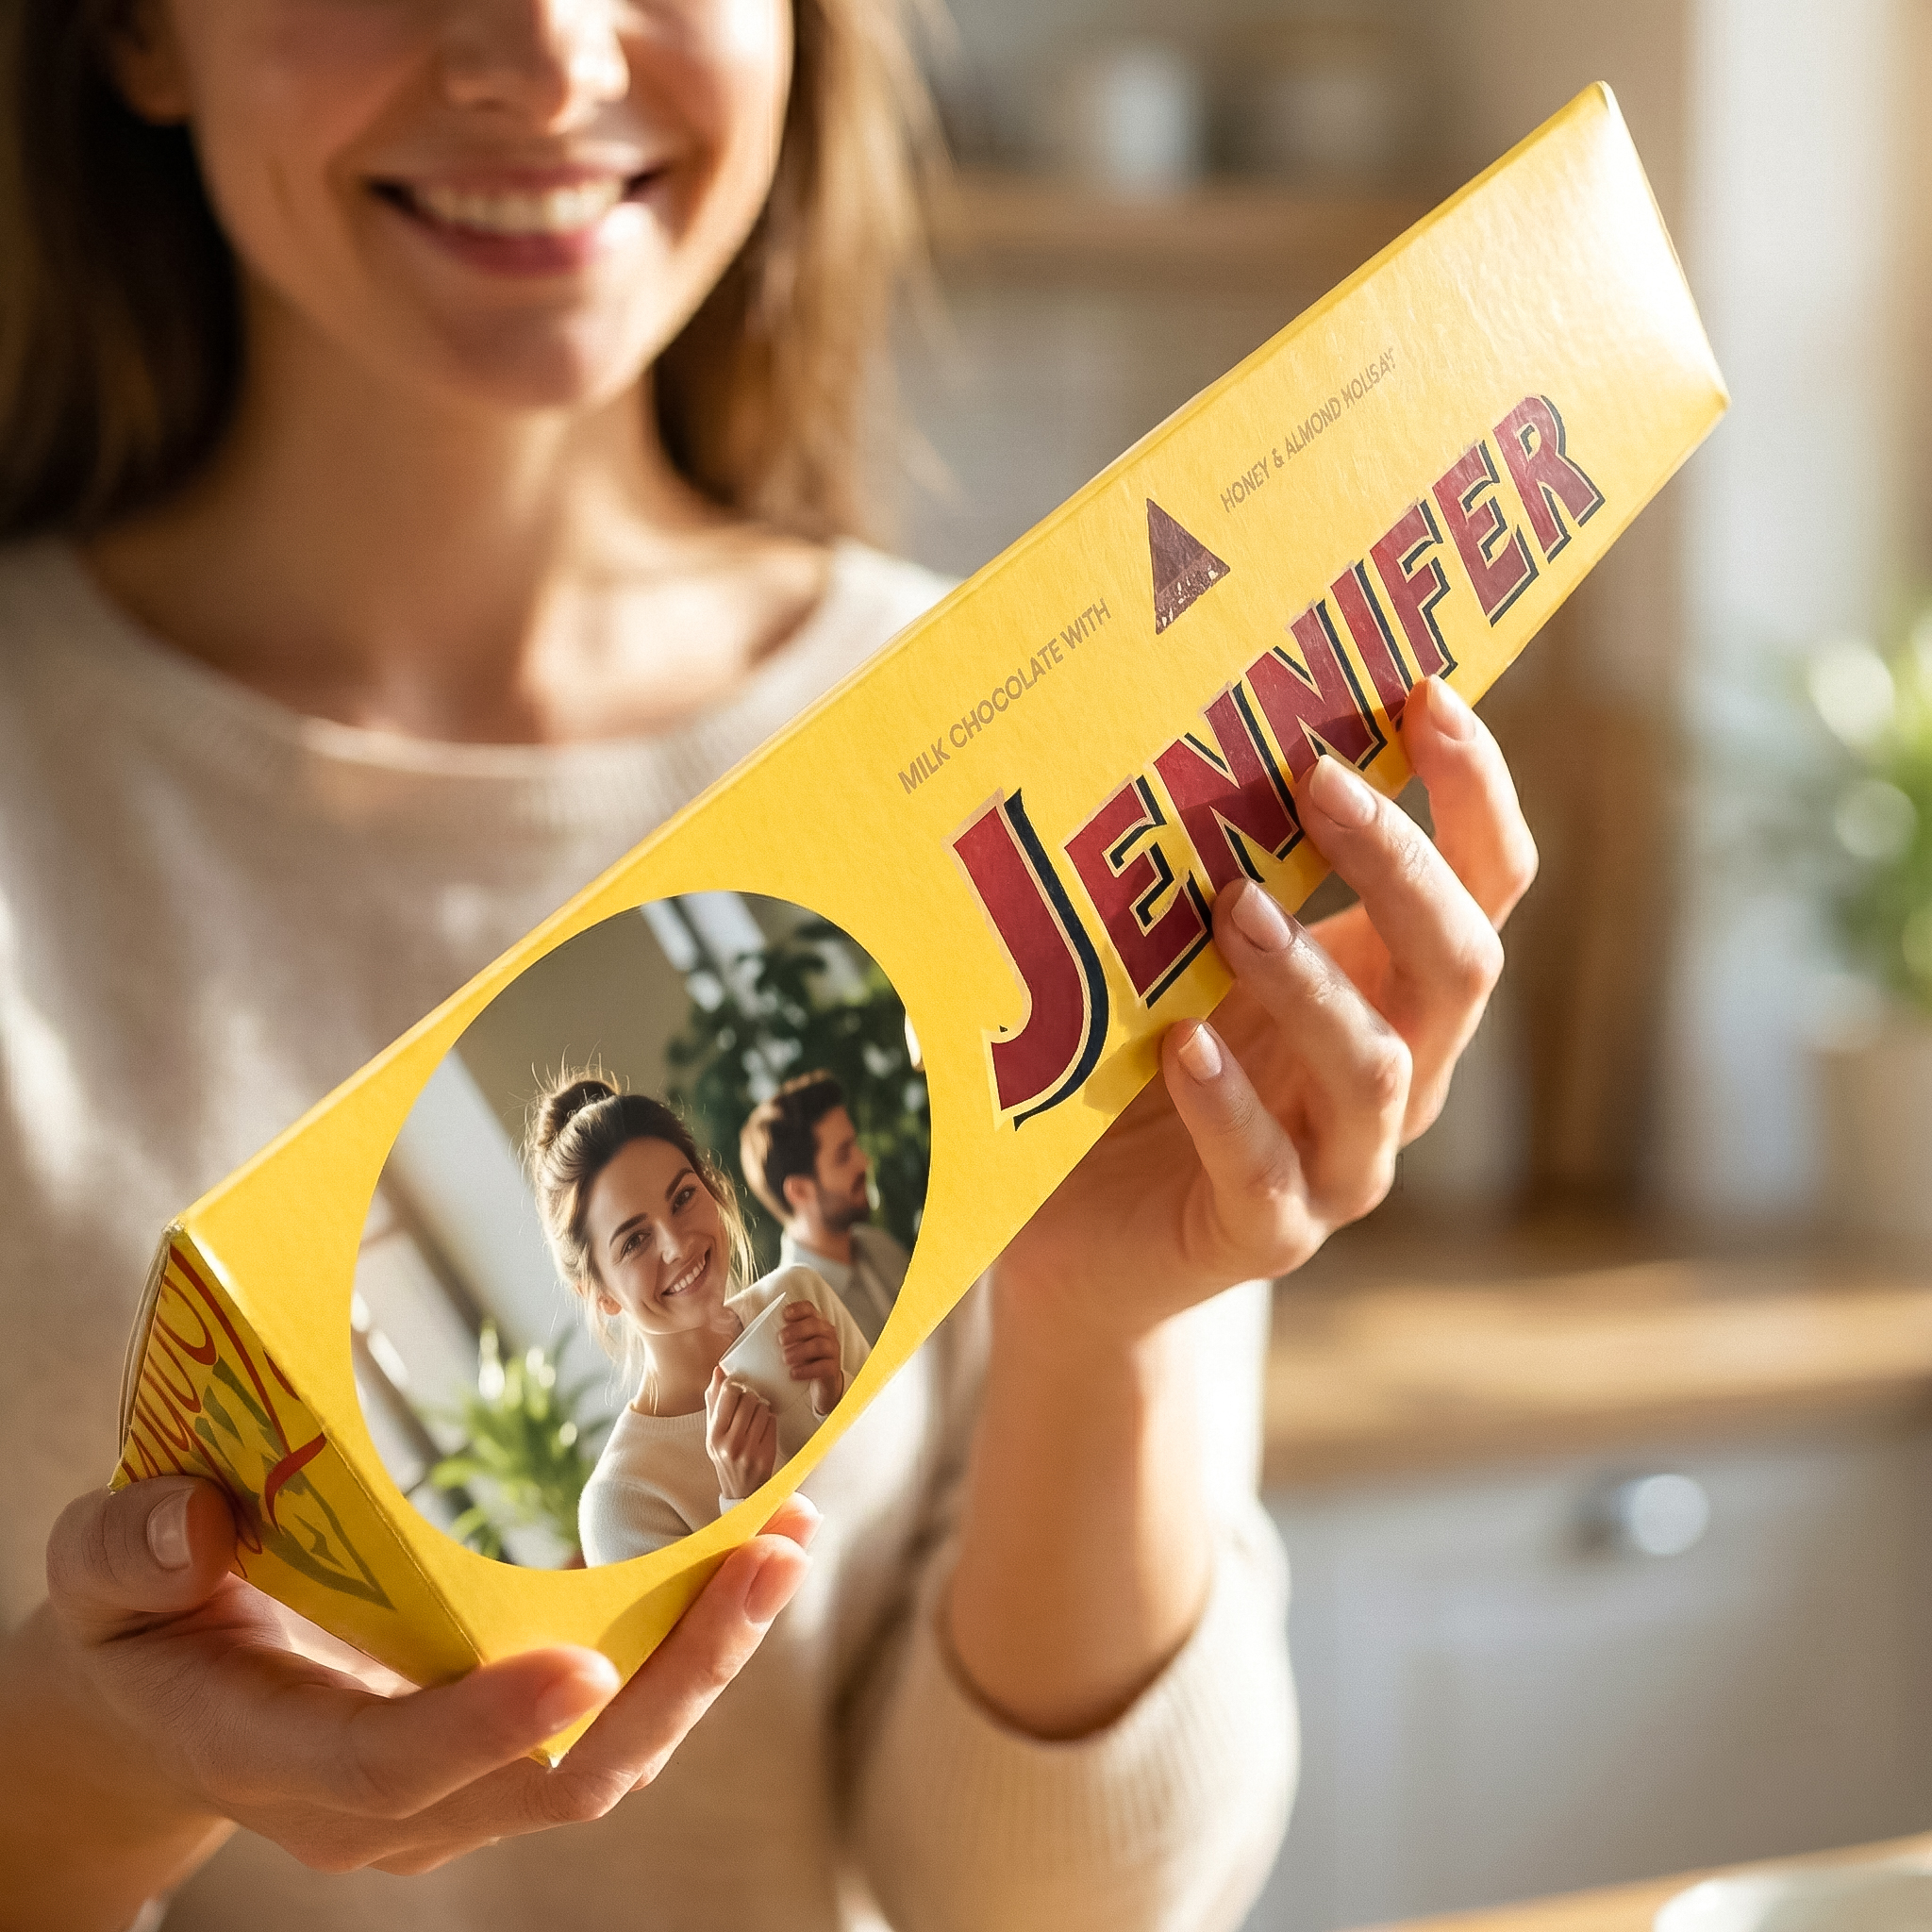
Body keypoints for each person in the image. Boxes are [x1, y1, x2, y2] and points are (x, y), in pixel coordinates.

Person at [0, 1, 1538, 1927]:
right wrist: (83, 1768)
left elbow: (1049, 1910)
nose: (542, 53)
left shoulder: (1033, 746)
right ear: (136, 32)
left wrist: (1100, 1332)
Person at [522, 1074, 871, 1562]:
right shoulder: (623, 1501)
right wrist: (745, 1506)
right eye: (634, 1241)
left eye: (683, 1197)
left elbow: (930, 1476)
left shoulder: (801, 1296)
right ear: (599, 1294)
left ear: (713, 1189)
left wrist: (840, 1397)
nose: (677, 1245)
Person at [741, 1069, 909, 1346]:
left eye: (854, 1145)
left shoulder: (878, 1246)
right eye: (843, 1156)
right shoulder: (796, 1322)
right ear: (799, 1191)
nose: (864, 1162)